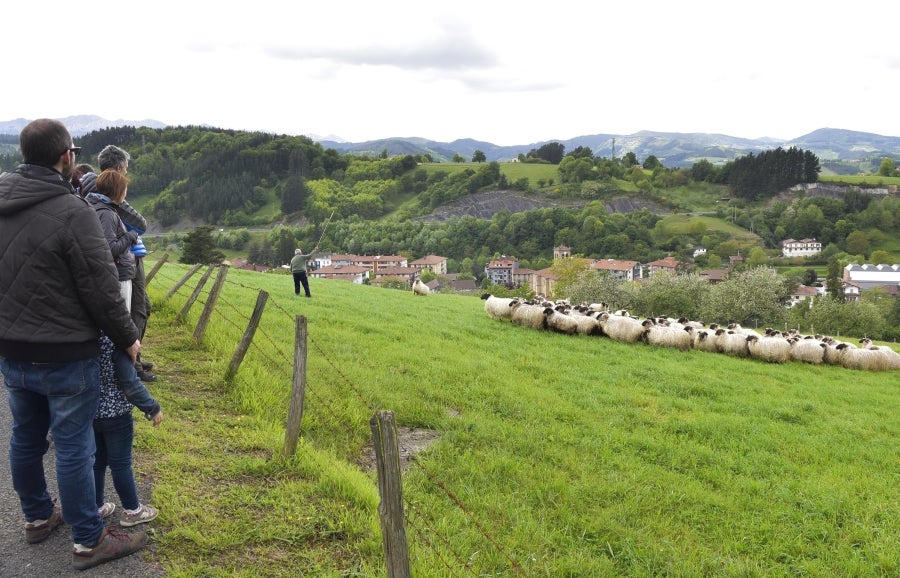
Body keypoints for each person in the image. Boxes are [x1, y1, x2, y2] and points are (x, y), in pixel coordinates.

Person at [0, 118, 148, 570]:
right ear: (67, 158)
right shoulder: (73, 211)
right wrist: (129, 339)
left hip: (10, 348)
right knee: (73, 445)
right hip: (65, 351)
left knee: (25, 436)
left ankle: (38, 517)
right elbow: (102, 289)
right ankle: (88, 539)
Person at [80, 145, 156, 382]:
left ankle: (134, 358)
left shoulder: (94, 188)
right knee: (134, 310)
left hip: (125, 260)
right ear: (120, 167)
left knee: (137, 308)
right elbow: (139, 223)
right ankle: (130, 365)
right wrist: (130, 236)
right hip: (122, 264)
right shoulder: (107, 192)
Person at [94, 333, 162, 527]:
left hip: (90, 412)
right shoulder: (117, 342)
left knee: (97, 463)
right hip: (117, 415)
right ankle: (132, 510)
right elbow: (131, 384)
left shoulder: (86, 337)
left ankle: (97, 506)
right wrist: (152, 407)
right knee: (120, 464)